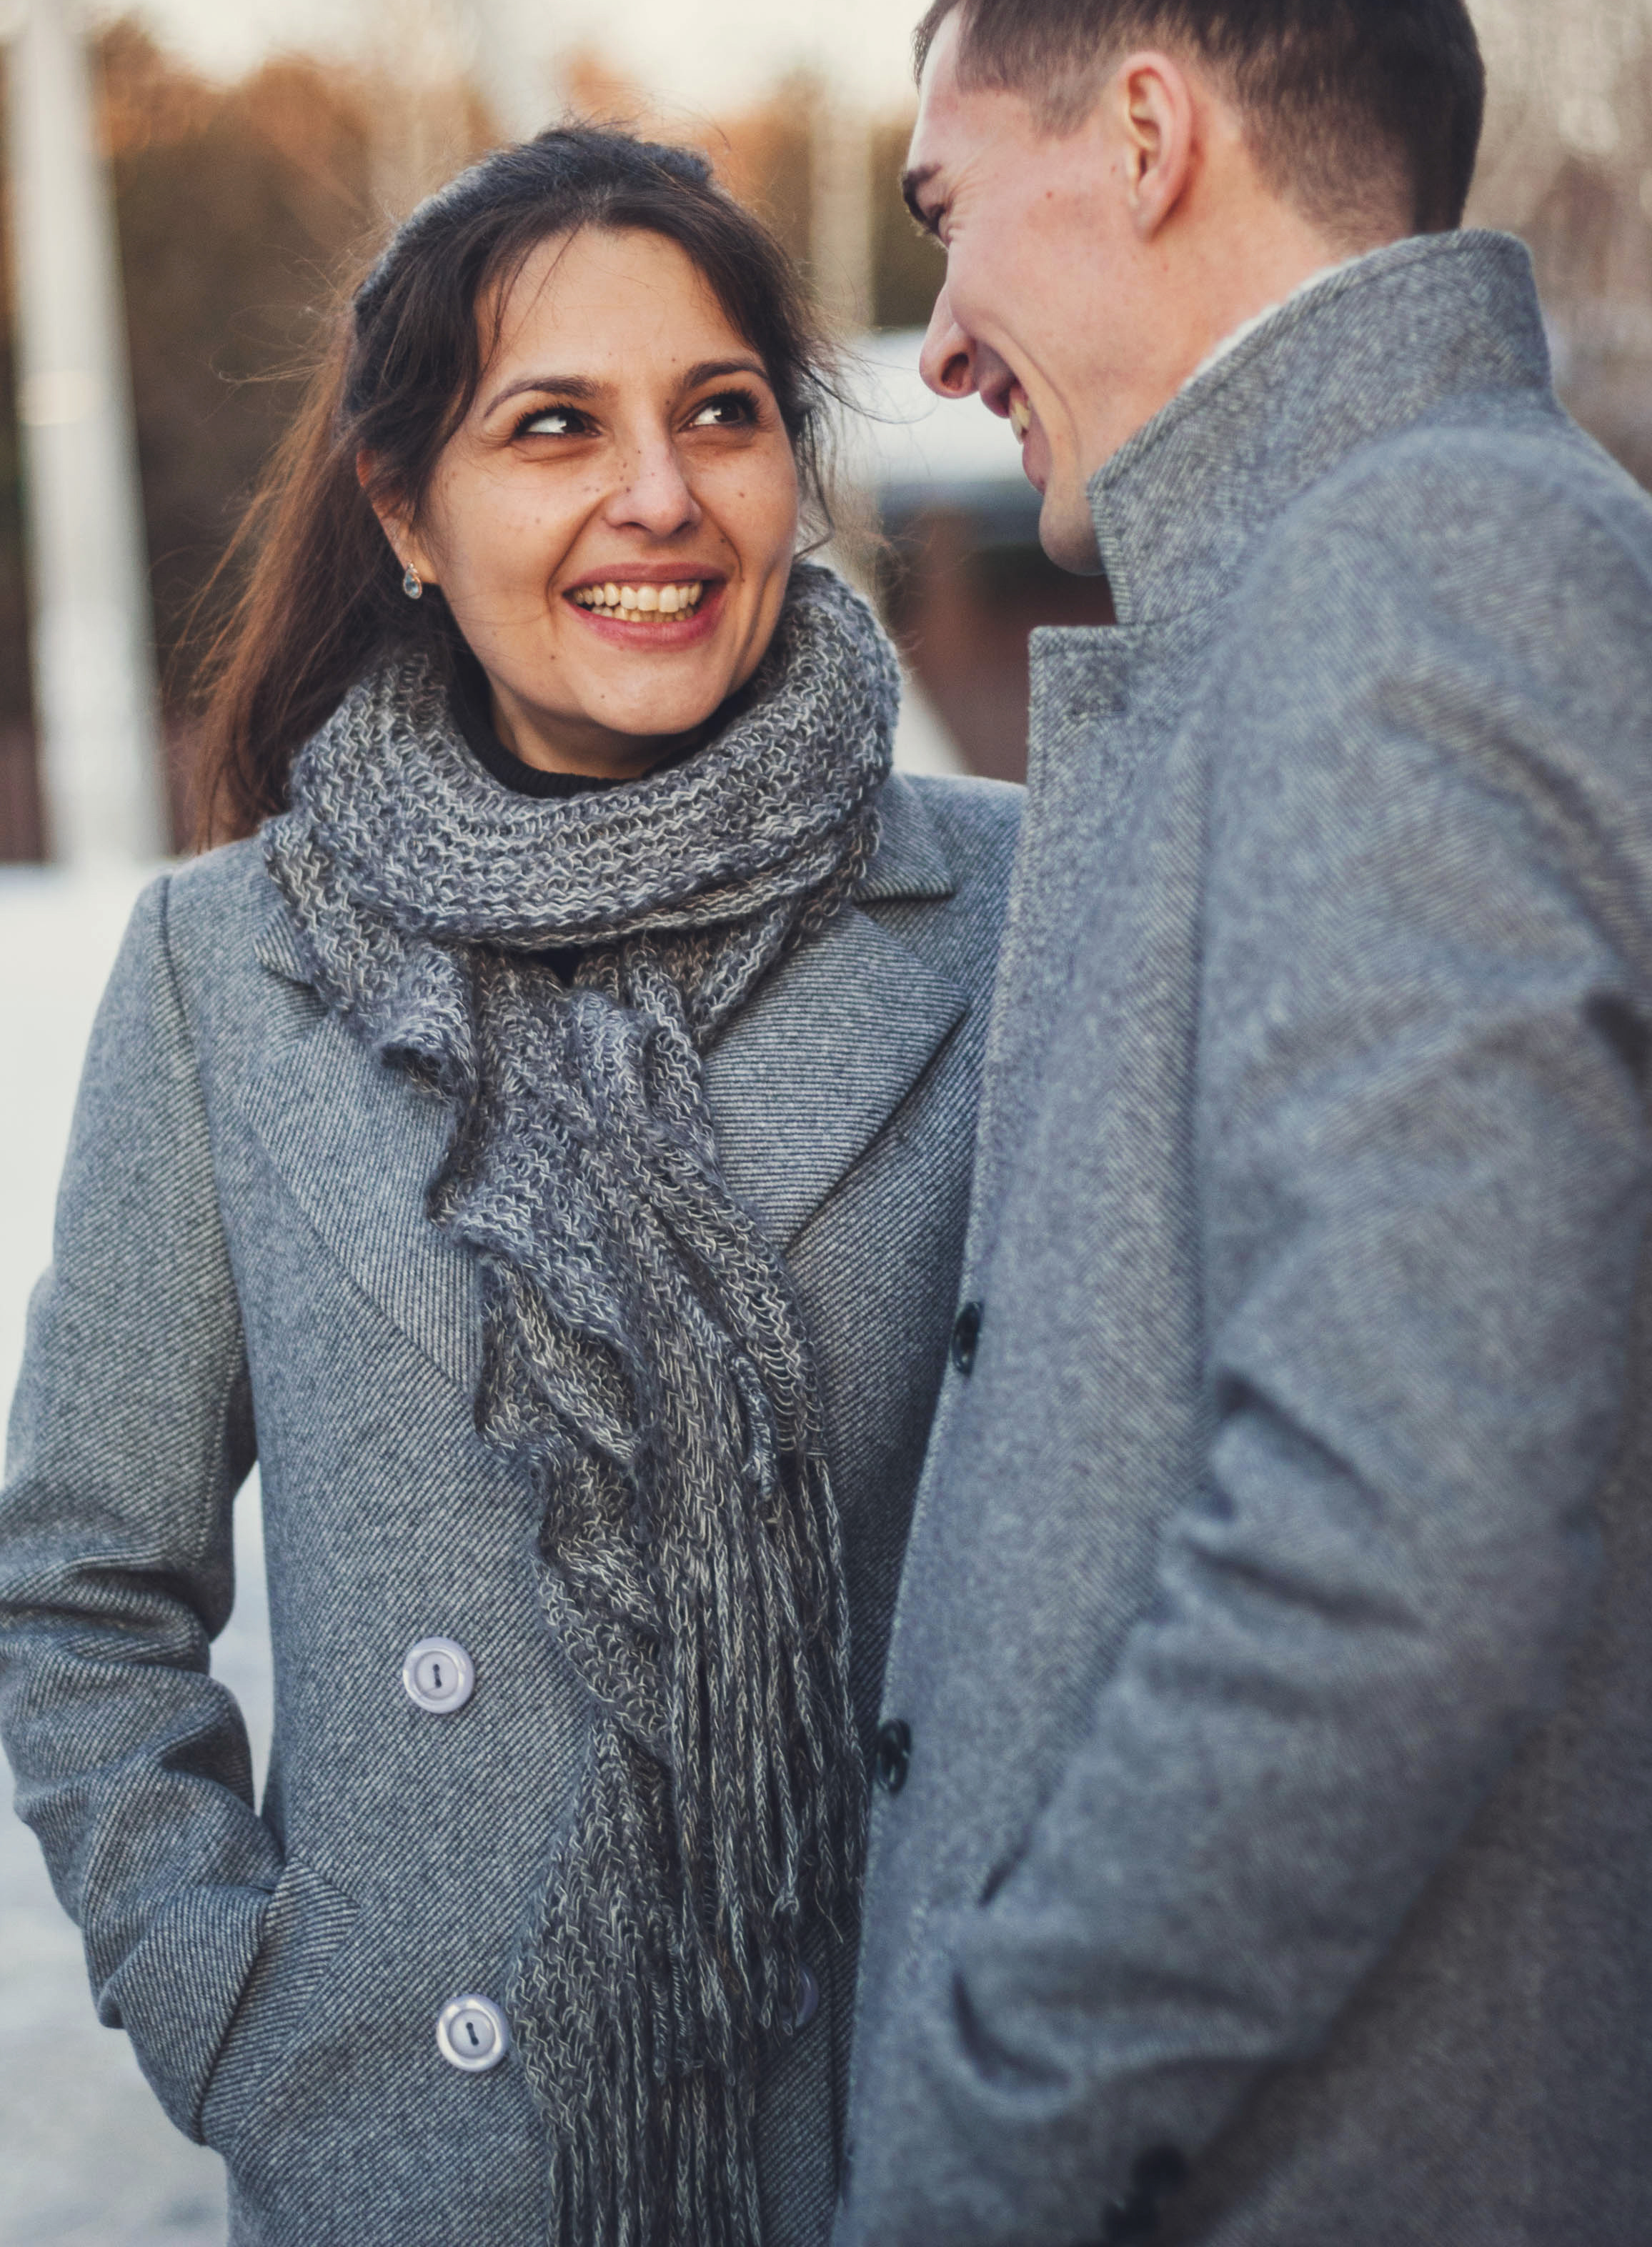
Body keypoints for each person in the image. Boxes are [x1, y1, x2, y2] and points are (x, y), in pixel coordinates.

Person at [0, 124, 1019, 2247]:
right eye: (553, 427)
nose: (659, 496)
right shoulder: (226, 970)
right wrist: (247, 2019)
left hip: (904, 2153)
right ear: (405, 512)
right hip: (417, 2163)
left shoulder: (1011, 912)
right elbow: (84, 1587)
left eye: (719, 415)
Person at [836, 0, 1652, 2247]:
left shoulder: (1432, 576)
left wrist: (982, 2129)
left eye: (944, 207)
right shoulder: (1352, 587)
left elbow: (1393, 1541)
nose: (934, 343)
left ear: (1144, 134)